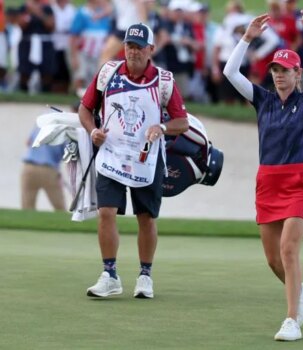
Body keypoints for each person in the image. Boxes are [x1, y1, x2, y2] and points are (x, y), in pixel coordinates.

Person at [223, 11, 303, 341]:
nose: (278, 76)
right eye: (274, 70)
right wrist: (246, 37)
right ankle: (299, 291)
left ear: (297, 73)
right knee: (273, 260)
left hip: (296, 183)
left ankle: (291, 320)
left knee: (288, 250)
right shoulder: (263, 100)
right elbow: (230, 71)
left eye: (284, 70)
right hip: (266, 184)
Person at [79, 23, 189, 299]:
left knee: (146, 217)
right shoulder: (108, 72)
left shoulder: (163, 80)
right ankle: (110, 274)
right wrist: (93, 130)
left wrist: (162, 128)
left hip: (146, 158)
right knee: (106, 212)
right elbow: (85, 108)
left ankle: (145, 275)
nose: (133, 52)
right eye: (130, 46)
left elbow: (182, 122)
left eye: (140, 47)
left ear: (151, 49)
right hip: (112, 154)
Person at [21, 126, 66, 211]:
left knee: (27, 207)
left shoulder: (39, 124)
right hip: (49, 170)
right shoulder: (64, 128)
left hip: (29, 167)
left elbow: (28, 142)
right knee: (60, 208)